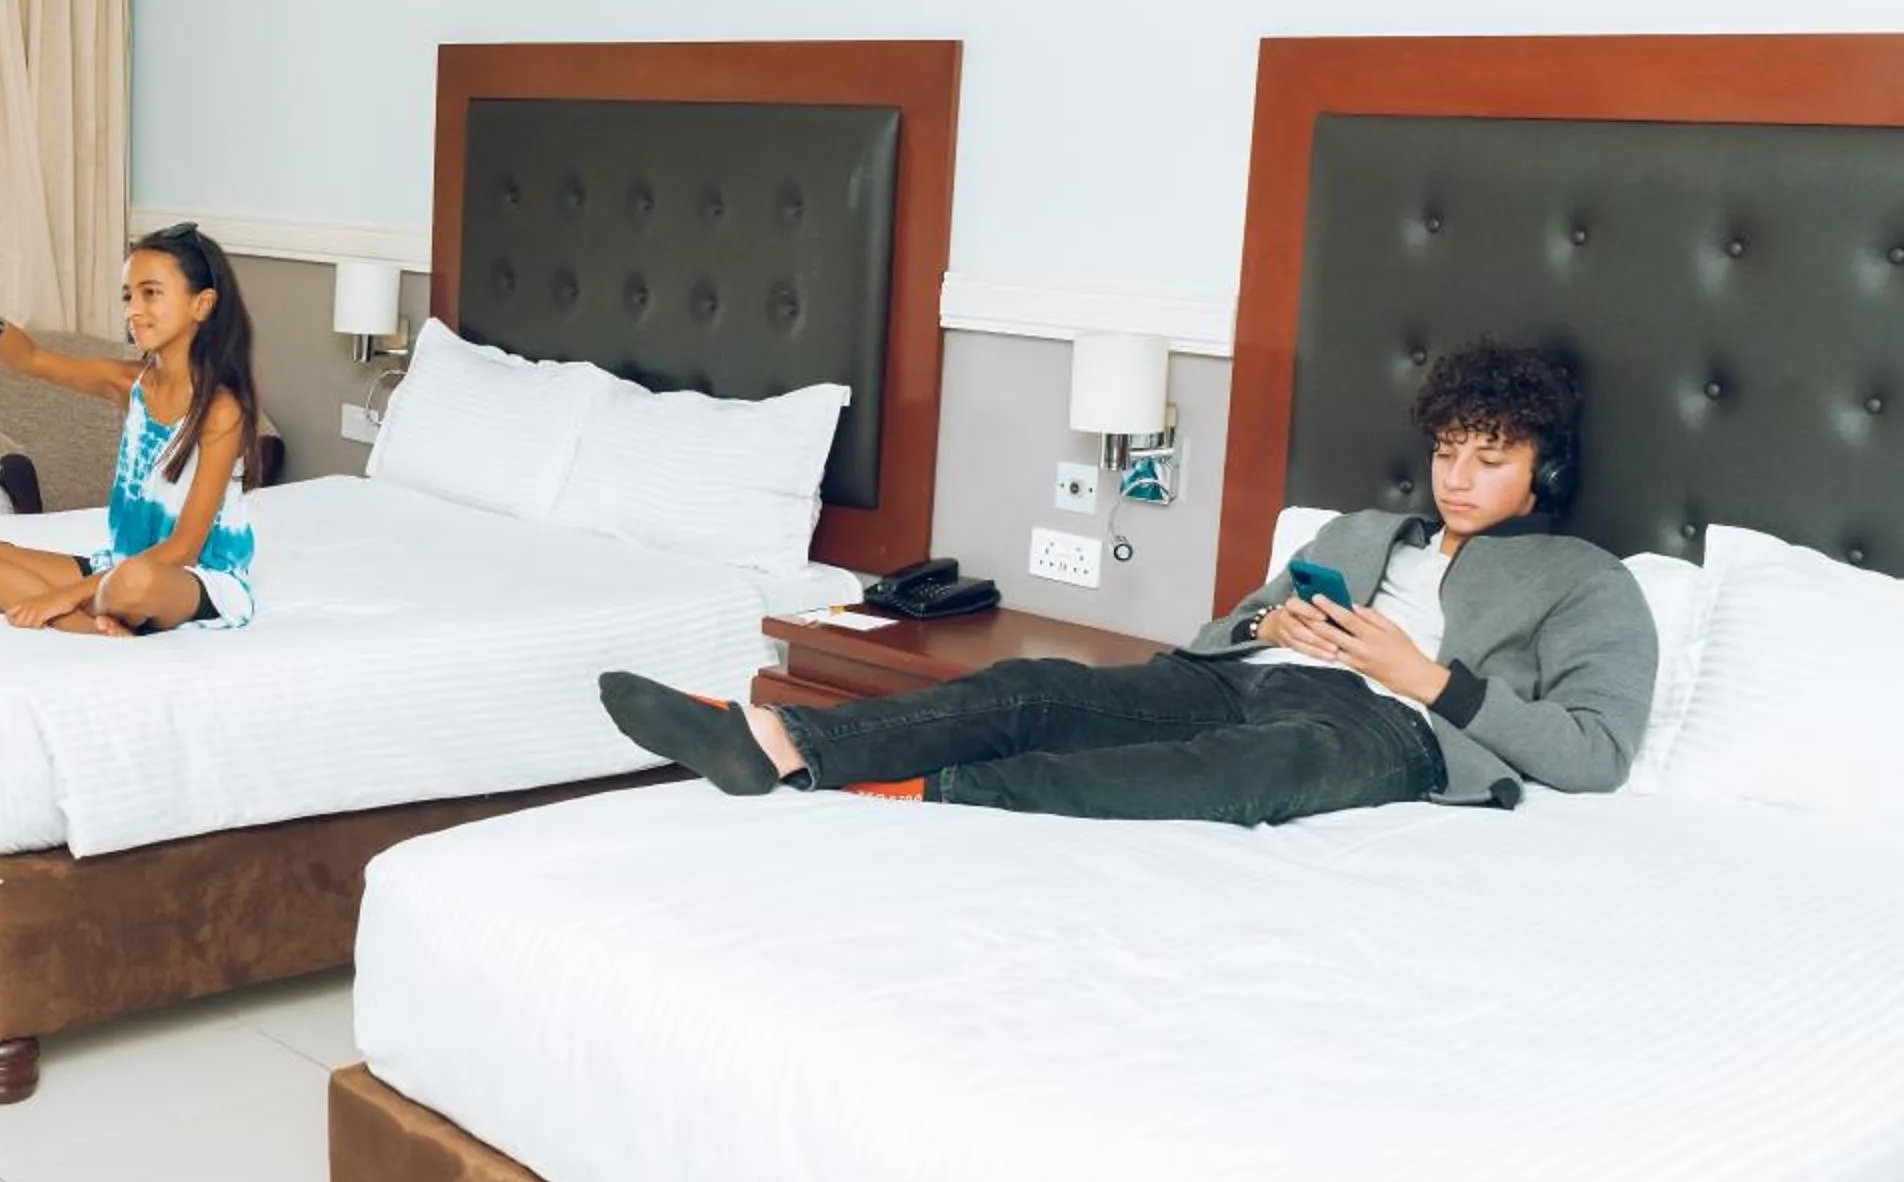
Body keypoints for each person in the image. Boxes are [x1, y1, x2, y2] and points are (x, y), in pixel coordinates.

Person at [600, 338, 1656, 825]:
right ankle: (781, 740)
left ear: (1543, 470)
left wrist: (1423, 676)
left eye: (1492, 459)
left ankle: (915, 796)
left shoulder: (1589, 582)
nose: (1459, 479)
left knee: (1229, 770)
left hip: (1392, 730)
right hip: (1248, 675)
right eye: (1448, 453)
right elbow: (1224, 624)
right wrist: (1270, 622)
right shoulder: (1370, 529)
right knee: (1038, 687)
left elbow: (1598, 755)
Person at [0, 223, 262, 637]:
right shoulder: (129, 383)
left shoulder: (221, 411)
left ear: (202, 305)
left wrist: (61, 594)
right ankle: (94, 628)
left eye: (151, 293)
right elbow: (31, 358)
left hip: (188, 578)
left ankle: (79, 610)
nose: (134, 309)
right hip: (117, 566)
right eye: (129, 296)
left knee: (134, 583)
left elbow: (184, 547)